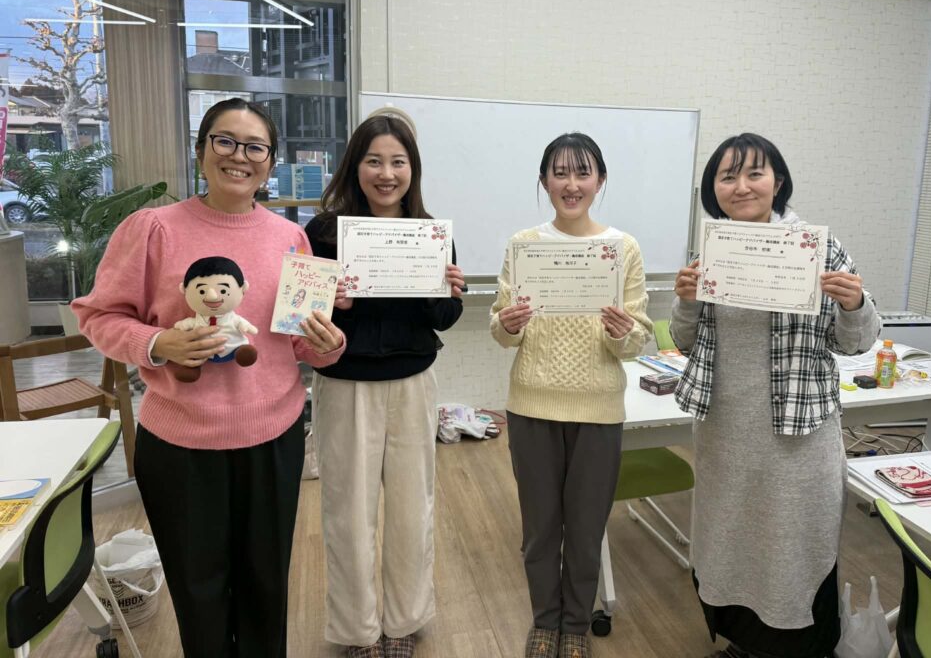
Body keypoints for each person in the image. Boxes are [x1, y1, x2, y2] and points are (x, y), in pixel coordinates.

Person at [73, 98, 346, 658]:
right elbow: (97, 315)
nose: (239, 156)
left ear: (270, 162)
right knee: (198, 590)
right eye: (225, 141)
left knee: (266, 586)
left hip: (274, 439)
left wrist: (328, 344)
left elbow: (297, 343)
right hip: (181, 445)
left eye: (255, 147)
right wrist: (157, 343)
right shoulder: (153, 228)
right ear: (201, 151)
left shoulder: (290, 239)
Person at [670, 133, 881, 658]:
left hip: (798, 442)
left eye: (754, 173)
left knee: (791, 551)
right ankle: (743, 644)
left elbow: (855, 344)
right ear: (713, 189)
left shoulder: (818, 248)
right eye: (727, 176)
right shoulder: (709, 252)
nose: (741, 186)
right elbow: (685, 341)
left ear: (777, 181)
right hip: (725, 434)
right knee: (729, 545)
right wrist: (686, 301)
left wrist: (855, 304)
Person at [305, 111, 465, 658]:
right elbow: (301, 315)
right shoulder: (324, 232)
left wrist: (444, 291)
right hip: (344, 383)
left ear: (412, 170)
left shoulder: (431, 233)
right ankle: (356, 630)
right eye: (374, 161)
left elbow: (443, 319)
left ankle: (404, 621)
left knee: (412, 509)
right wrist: (333, 301)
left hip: (413, 382)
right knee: (348, 513)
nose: (386, 173)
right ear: (356, 166)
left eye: (398, 162)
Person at [490, 133, 653, 658]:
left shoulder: (622, 249)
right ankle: (545, 621)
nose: (571, 184)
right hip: (532, 404)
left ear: (600, 180)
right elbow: (501, 330)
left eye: (583, 173)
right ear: (544, 181)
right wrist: (508, 323)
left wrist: (622, 332)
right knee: (540, 530)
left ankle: (576, 625)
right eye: (560, 173)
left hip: (598, 408)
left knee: (585, 530)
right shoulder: (524, 245)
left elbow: (638, 337)